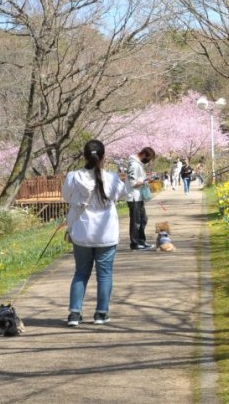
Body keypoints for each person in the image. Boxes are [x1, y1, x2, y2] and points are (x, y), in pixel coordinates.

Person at [62, 139, 127, 327]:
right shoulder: (112, 178)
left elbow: (66, 197)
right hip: (106, 234)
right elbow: (121, 195)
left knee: (81, 273)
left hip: (82, 233)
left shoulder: (74, 176)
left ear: (84, 156)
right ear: (103, 157)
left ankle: (74, 313)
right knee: (104, 274)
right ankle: (101, 313)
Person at [126, 146, 156, 250]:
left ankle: (141, 241)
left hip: (139, 196)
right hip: (134, 196)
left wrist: (146, 180)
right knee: (136, 221)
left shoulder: (137, 164)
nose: (148, 161)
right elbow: (133, 183)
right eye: (148, 158)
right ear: (143, 154)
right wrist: (145, 181)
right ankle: (135, 244)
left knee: (143, 219)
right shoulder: (133, 165)